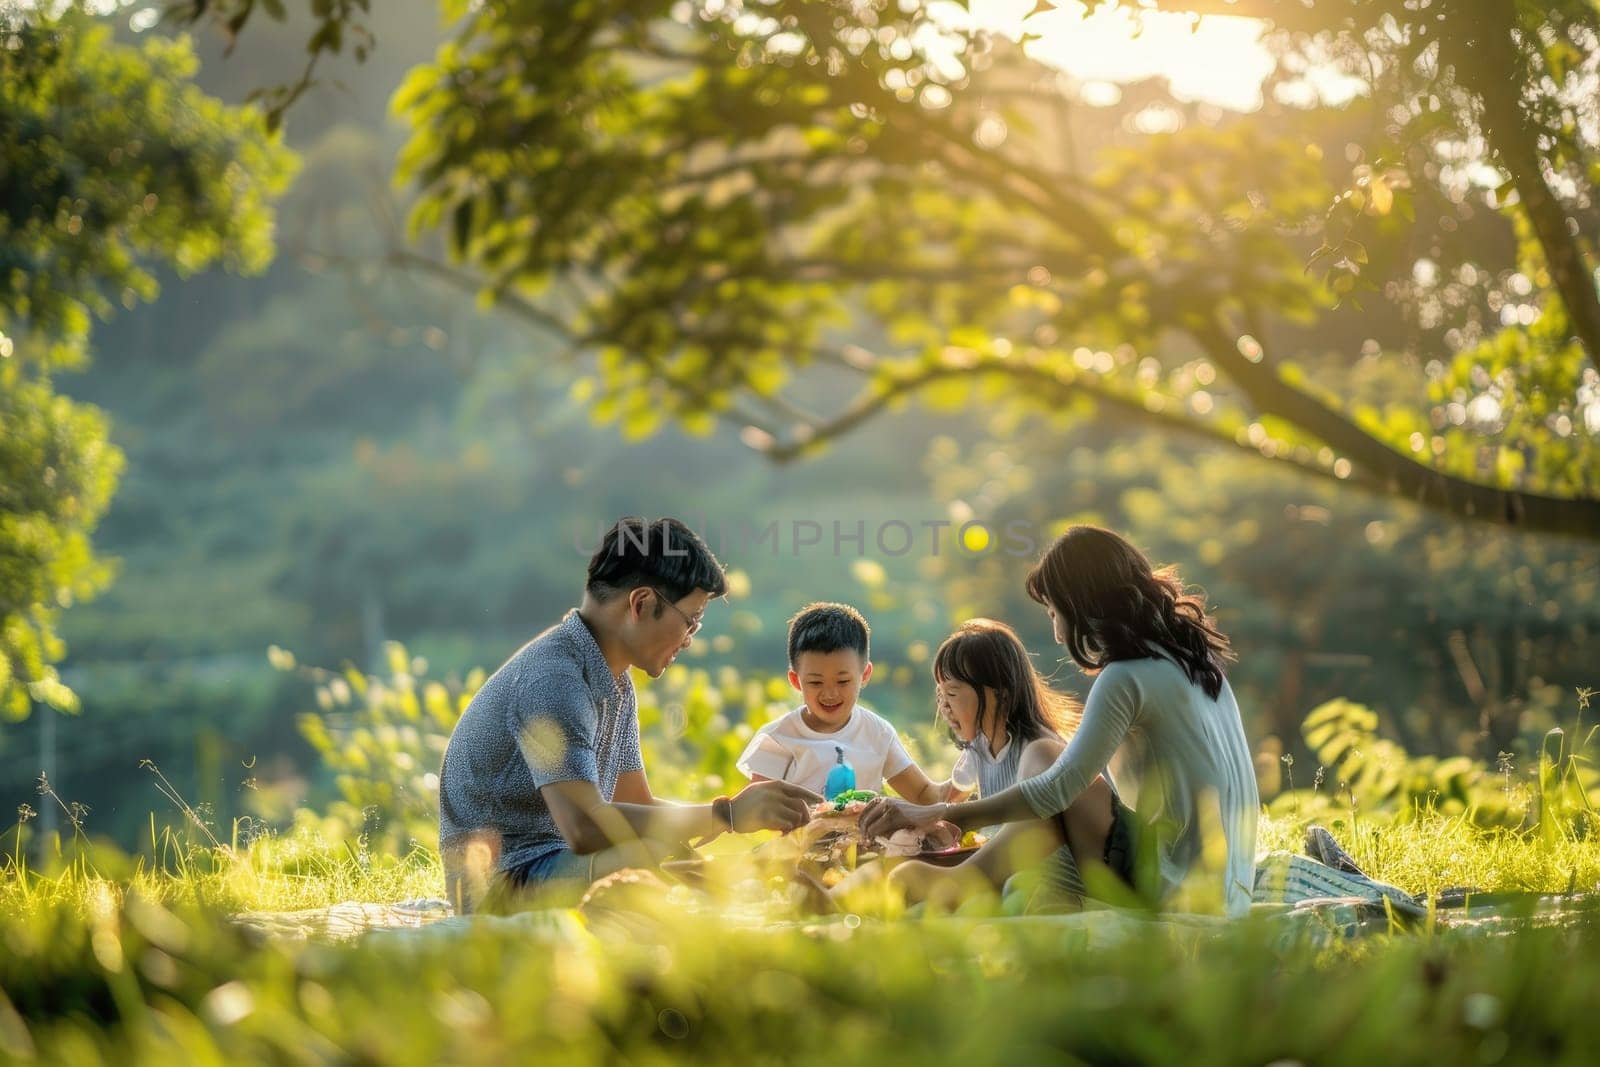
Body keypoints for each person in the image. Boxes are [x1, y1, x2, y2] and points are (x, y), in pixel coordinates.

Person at [861, 526, 1260, 917]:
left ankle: (962, 884)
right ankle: (972, 882)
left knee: (1054, 772)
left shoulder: (1125, 677)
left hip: (1175, 886)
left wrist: (938, 813)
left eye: (1054, 612)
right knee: (1055, 781)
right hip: (1228, 888)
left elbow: (1058, 790)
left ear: (1080, 604)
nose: (1055, 632)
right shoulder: (1198, 667)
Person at [437, 516, 818, 912]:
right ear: (642, 603)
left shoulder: (614, 682)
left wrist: (735, 823)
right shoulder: (554, 679)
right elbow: (585, 827)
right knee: (649, 857)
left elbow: (638, 805)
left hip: (558, 865)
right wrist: (727, 815)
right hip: (501, 882)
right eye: (691, 621)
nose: (689, 639)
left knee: (672, 855)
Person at [830, 618, 1122, 909]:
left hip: (1045, 881)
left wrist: (928, 816)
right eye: (940, 694)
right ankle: (828, 901)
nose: (944, 706)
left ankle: (956, 885)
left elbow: (1035, 831)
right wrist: (881, 813)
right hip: (1002, 870)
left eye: (953, 694)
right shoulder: (978, 750)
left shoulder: (1040, 750)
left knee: (1010, 892)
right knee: (894, 867)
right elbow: (942, 801)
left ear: (1001, 694)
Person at [736, 603, 954, 804]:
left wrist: (969, 774)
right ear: (796, 681)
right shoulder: (779, 738)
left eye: (843, 681)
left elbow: (923, 794)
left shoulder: (876, 733)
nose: (830, 694)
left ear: (865, 674)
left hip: (868, 846)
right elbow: (755, 809)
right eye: (815, 682)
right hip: (798, 846)